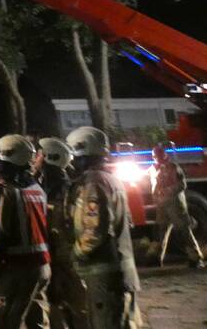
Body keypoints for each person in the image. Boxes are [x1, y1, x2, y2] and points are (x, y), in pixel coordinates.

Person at [65, 126, 142, 329]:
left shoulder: (92, 184)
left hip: (104, 276)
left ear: (83, 154)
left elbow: (94, 231)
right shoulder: (112, 180)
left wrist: (75, 254)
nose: (72, 162)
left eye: (75, 156)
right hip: (120, 272)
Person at [0, 134, 51, 329]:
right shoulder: (37, 189)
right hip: (42, 267)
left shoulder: (4, 191)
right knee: (36, 321)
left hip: (15, 269)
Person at [25, 137, 87, 329]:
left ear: (48, 158)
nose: (35, 159)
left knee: (69, 309)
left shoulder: (55, 189)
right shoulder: (63, 186)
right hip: (61, 257)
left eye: (39, 155)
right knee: (72, 309)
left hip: (61, 258)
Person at [151, 142, 204, 268]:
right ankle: (156, 258)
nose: (157, 158)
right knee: (161, 231)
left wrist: (167, 191)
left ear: (164, 155)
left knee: (184, 231)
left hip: (175, 204)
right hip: (162, 205)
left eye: (159, 155)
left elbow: (182, 184)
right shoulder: (154, 169)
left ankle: (196, 258)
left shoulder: (173, 167)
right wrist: (156, 197)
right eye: (155, 156)